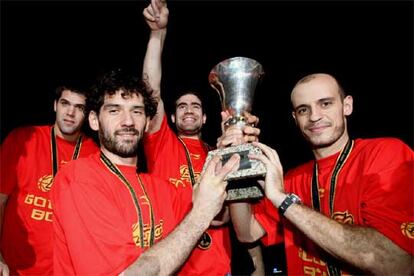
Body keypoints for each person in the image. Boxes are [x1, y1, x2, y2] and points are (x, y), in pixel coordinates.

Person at [50, 68, 241, 275]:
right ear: (94, 120)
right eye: (114, 110)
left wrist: (231, 150)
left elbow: (219, 213)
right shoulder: (79, 178)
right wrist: (199, 215)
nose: (128, 121)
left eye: (137, 111)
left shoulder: (160, 188)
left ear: (147, 122)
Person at [230, 73, 414, 275]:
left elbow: (397, 264)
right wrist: (237, 159)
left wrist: (284, 201)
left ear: (347, 106)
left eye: (325, 104)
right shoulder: (292, 178)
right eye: (303, 109)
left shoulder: (386, 154)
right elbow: (247, 233)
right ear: (295, 118)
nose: (314, 116)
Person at [141, 0, 265, 275]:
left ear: (206, 118)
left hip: (217, 267)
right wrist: (157, 35)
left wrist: (239, 151)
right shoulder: (161, 142)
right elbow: (150, 90)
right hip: (168, 262)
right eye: (182, 106)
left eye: (195, 106)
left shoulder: (218, 150)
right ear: (171, 117)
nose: (188, 110)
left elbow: (229, 218)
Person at [0, 80, 99, 275]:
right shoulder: (23, 139)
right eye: (65, 104)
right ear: (55, 105)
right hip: (13, 268)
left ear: (88, 114)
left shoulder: (96, 155)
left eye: (79, 107)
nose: (70, 113)